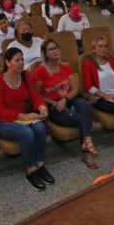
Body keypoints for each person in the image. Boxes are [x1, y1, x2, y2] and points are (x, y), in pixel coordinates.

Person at [0, 48, 54, 191]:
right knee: (27, 133)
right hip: (4, 121)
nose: (21, 63)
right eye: (17, 60)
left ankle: (40, 164)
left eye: (22, 59)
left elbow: (35, 96)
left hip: (25, 118)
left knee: (40, 128)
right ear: (7, 62)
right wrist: (22, 116)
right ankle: (30, 169)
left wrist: (42, 107)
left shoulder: (25, 75)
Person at [33, 39, 97, 169]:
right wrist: (55, 103)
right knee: (80, 119)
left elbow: (75, 89)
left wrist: (65, 100)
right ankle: (87, 149)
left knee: (86, 106)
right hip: (52, 106)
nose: (54, 51)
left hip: (68, 99)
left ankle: (86, 141)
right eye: (50, 49)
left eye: (56, 48)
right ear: (45, 53)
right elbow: (37, 95)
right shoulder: (40, 70)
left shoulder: (65, 66)